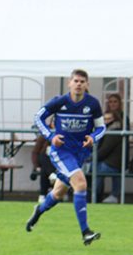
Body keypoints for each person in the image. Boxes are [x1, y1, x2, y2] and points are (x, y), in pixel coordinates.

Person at [27, 69, 105, 245]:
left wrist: (92, 138)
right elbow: (38, 118)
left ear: (87, 85)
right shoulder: (59, 102)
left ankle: (38, 211)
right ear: (69, 83)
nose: (78, 84)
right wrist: (50, 136)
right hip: (61, 151)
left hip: (79, 153)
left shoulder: (92, 104)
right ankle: (85, 231)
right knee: (81, 183)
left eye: (82, 81)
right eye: (75, 81)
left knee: (58, 193)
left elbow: (101, 128)